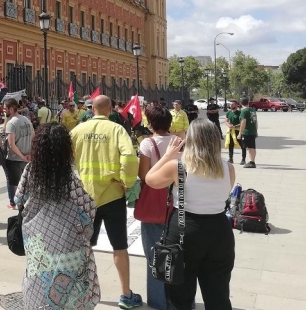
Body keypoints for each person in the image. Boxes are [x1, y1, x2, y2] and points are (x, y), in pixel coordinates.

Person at [145, 119, 236, 309]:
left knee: (180, 297)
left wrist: (167, 156)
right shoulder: (228, 167)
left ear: (191, 139)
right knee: (218, 295)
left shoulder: (178, 167)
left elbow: (149, 179)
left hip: (184, 229)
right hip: (219, 231)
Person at [15, 122, 100, 310]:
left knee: (37, 286)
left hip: (38, 247)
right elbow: (89, 209)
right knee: (70, 294)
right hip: (70, 248)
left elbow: (19, 200)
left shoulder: (30, 172)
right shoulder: (69, 180)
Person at [70, 95, 142, 309]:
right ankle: (126, 294)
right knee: (119, 246)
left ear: (91, 109)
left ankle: (81, 291)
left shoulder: (77, 130)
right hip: (112, 195)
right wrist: (127, 183)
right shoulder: (117, 130)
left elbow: (66, 160)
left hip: (85, 196)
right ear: (110, 109)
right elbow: (130, 158)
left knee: (84, 246)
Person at [137, 103, 178, 310]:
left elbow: (143, 175)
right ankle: (178, 299)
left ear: (151, 123)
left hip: (154, 204)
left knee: (154, 256)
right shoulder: (180, 143)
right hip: (177, 204)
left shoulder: (147, 144)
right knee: (178, 254)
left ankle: (158, 302)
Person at [2, 98, 33, 210]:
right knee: (26, 183)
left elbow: (11, 144)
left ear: (11, 108)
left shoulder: (11, 123)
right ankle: (27, 204)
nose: (4, 111)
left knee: (16, 184)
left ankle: (21, 207)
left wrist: (22, 157)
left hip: (15, 159)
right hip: (26, 157)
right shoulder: (26, 119)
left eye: (5, 108)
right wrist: (29, 153)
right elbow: (33, 136)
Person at [238, 98, 258, 169]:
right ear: (248, 102)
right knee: (252, 147)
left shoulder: (244, 111)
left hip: (247, 132)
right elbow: (255, 121)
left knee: (249, 148)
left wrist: (240, 133)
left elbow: (243, 122)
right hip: (253, 131)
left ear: (240, 103)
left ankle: (251, 162)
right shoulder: (252, 110)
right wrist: (256, 130)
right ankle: (252, 161)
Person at [225, 101, 246, 165]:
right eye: (230, 104)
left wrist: (235, 126)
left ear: (236, 105)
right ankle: (230, 159)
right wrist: (228, 125)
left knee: (242, 145)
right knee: (230, 144)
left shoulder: (240, 113)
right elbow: (226, 120)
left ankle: (243, 159)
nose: (231, 105)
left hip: (238, 131)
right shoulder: (229, 112)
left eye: (233, 104)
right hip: (231, 131)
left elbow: (243, 122)